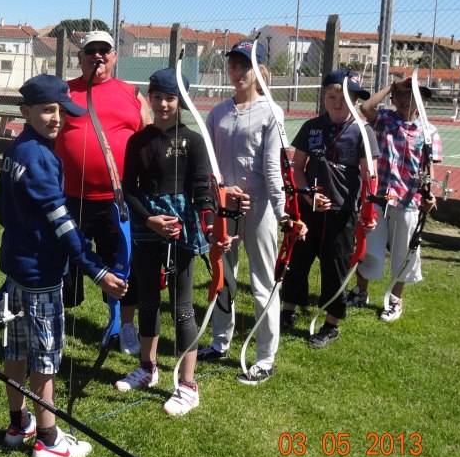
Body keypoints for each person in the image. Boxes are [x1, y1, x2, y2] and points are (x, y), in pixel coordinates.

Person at [0, 74, 127, 457]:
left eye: (62, 111)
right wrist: (96, 269)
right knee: (45, 356)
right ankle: (49, 440)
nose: (57, 118)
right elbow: (63, 222)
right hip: (41, 275)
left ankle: (19, 423)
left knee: (16, 347)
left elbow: (4, 211)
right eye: (48, 110)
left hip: (19, 268)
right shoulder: (39, 157)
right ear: (26, 111)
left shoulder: (18, 149)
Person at [117, 68, 220, 415]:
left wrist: (210, 230)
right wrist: (148, 219)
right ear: (149, 97)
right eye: (157, 96)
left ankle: (187, 384)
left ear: (182, 102)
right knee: (147, 298)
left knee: (182, 306)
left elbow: (203, 190)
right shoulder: (137, 141)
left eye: (170, 97)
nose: (162, 104)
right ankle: (148, 368)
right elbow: (127, 190)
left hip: (181, 228)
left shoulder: (192, 140)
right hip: (147, 224)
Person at [198, 40, 298, 385]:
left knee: (262, 281)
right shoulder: (218, 112)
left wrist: (283, 212)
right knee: (224, 275)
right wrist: (218, 192)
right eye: (233, 65)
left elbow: (273, 168)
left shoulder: (272, 111)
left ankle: (265, 357)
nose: (237, 72)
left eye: (245, 66)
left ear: (258, 71)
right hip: (225, 206)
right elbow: (208, 163)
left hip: (260, 209)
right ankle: (219, 342)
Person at [53, 29, 150, 355]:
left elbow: (147, 140)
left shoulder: (132, 93)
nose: (97, 56)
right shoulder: (64, 92)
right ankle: (55, 323)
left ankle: (123, 326)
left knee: (121, 265)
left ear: (114, 56)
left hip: (116, 200)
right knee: (63, 262)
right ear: (79, 57)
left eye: (104, 51)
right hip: (69, 197)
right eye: (90, 51)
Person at [281, 70, 378, 348]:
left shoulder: (363, 131)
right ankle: (289, 310)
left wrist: (367, 212)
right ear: (323, 97)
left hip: (343, 211)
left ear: (356, 99)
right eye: (332, 97)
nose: (338, 103)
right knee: (298, 258)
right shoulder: (311, 127)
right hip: (309, 209)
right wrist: (307, 195)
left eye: (346, 98)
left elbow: (370, 175)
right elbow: (297, 167)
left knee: (335, 265)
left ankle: (331, 323)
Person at [353, 77, 443, 321]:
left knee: (404, 253)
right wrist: (390, 87)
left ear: (422, 101)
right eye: (400, 95)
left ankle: (394, 300)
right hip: (379, 196)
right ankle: (360, 292)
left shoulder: (429, 132)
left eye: (411, 95)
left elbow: (430, 168)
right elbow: (365, 108)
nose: (405, 101)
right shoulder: (385, 119)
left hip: (408, 201)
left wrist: (430, 194)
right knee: (370, 246)